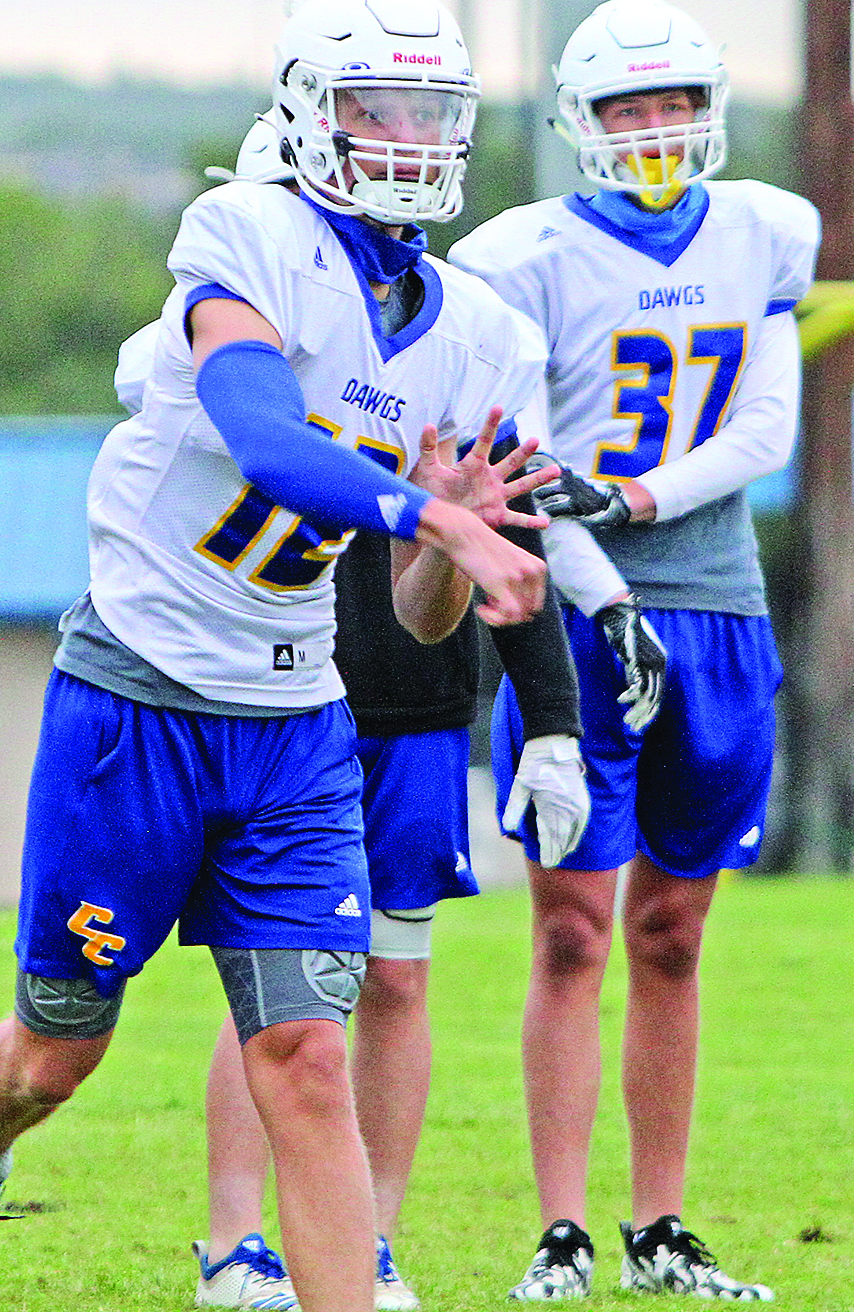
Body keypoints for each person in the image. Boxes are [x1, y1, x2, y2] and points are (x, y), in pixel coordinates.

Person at [0, 0, 552, 1312]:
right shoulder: (246, 233)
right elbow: (262, 433)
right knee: (55, 1053)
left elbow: (420, 610)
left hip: (296, 717)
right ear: (309, 113)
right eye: (380, 110)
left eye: (433, 112)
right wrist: (435, 512)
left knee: (306, 1056)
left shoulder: (485, 336)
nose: (412, 141)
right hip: (136, 700)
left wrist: (442, 548)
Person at [152, 119, 594, 1312]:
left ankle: (368, 1240)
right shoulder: (240, 315)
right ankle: (238, 1239)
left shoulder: (457, 334)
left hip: (409, 692)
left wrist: (550, 716)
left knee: (393, 973)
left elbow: (502, 529)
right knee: (278, 988)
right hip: (263, 679)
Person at [452, 0, 817, 1302]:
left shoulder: (765, 230)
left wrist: (641, 501)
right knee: (570, 930)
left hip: (715, 601)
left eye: (674, 103)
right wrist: (605, 591)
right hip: (573, 602)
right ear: (578, 123)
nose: (656, 131)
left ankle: (660, 1229)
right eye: (626, 108)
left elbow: (766, 429)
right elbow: (521, 462)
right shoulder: (521, 258)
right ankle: (561, 1231)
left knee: (674, 928)